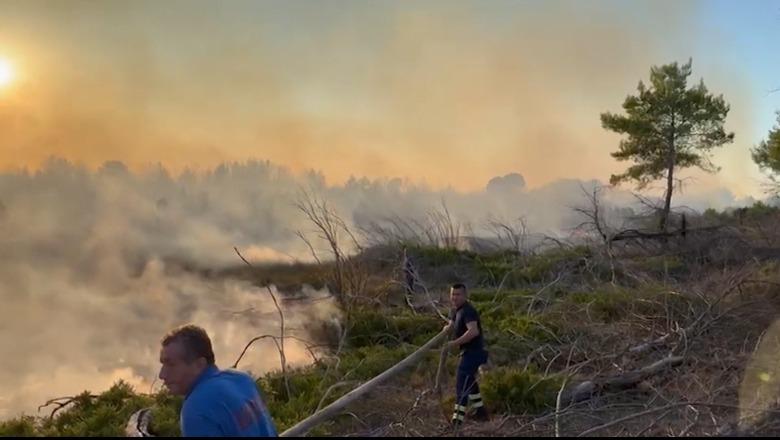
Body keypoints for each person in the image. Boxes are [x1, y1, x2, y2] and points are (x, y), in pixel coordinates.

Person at [158, 325, 278, 437]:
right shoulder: (242, 380)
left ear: (199, 365)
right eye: (163, 364)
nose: (162, 375)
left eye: (171, 365)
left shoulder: (197, 408)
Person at [444, 283, 489, 426]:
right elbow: (452, 324)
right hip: (468, 353)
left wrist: (454, 343)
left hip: (474, 353)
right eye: (453, 294)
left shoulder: (468, 311)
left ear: (465, 295)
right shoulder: (456, 310)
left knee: (462, 385)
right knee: (470, 383)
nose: (455, 297)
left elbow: (473, 331)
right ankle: (481, 413)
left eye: (458, 295)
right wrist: (447, 329)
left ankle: (457, 422)